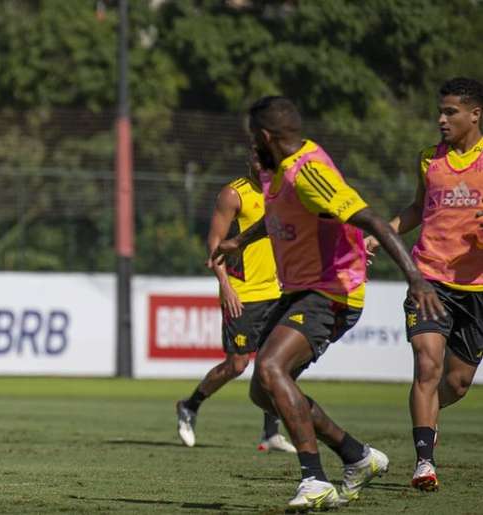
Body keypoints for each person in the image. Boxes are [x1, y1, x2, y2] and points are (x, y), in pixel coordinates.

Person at [211, 96, 445, 510]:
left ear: (266, 137)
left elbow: (370, 220)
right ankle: (357, 456)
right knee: (264, 393)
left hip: (335, 290)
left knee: (270, 367)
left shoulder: (309, 172)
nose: (250, 147)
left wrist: (416, 279)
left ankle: (314, 479)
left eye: (253, 139)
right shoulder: (277, 172)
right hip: (301, 289)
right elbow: (278, 215)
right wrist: (241, 240)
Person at [366, 77, 483, 492]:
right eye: (440, 111)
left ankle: (429, 416)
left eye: (450, 112)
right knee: (427, 366)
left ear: (475, 114)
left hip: (477, 288)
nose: (441, 119)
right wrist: (382, 235)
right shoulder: (427, 161)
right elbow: (418, 208)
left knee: (457, 383)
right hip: (428, 278)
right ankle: (424, 462)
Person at [176, 153, 295, 454]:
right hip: (243, 293)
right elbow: (215, 244)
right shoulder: (234, 194)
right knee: (238, 365)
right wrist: (226, 286)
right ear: (248, 163)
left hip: (277, 291)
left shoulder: (282, 190)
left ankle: (271, 433)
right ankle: (190, 406)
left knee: (276, 362)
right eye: (257, 161)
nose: (262, 167)